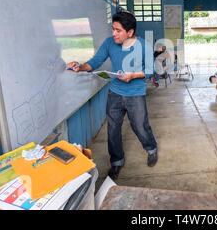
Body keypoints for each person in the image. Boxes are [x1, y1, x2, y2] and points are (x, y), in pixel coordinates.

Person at [66, 11, 158, 180]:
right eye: (113, 29)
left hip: (136, 94)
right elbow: (95, 62)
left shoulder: (144, 46)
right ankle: (117, 161)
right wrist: (80, 66)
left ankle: (151, 149)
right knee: (113, 129)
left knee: (140, 126)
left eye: (118, 30)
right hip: (115, 93)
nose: (113, 34)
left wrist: (132, 75)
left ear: (129, 32)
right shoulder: (109, 43)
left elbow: (151, 71)